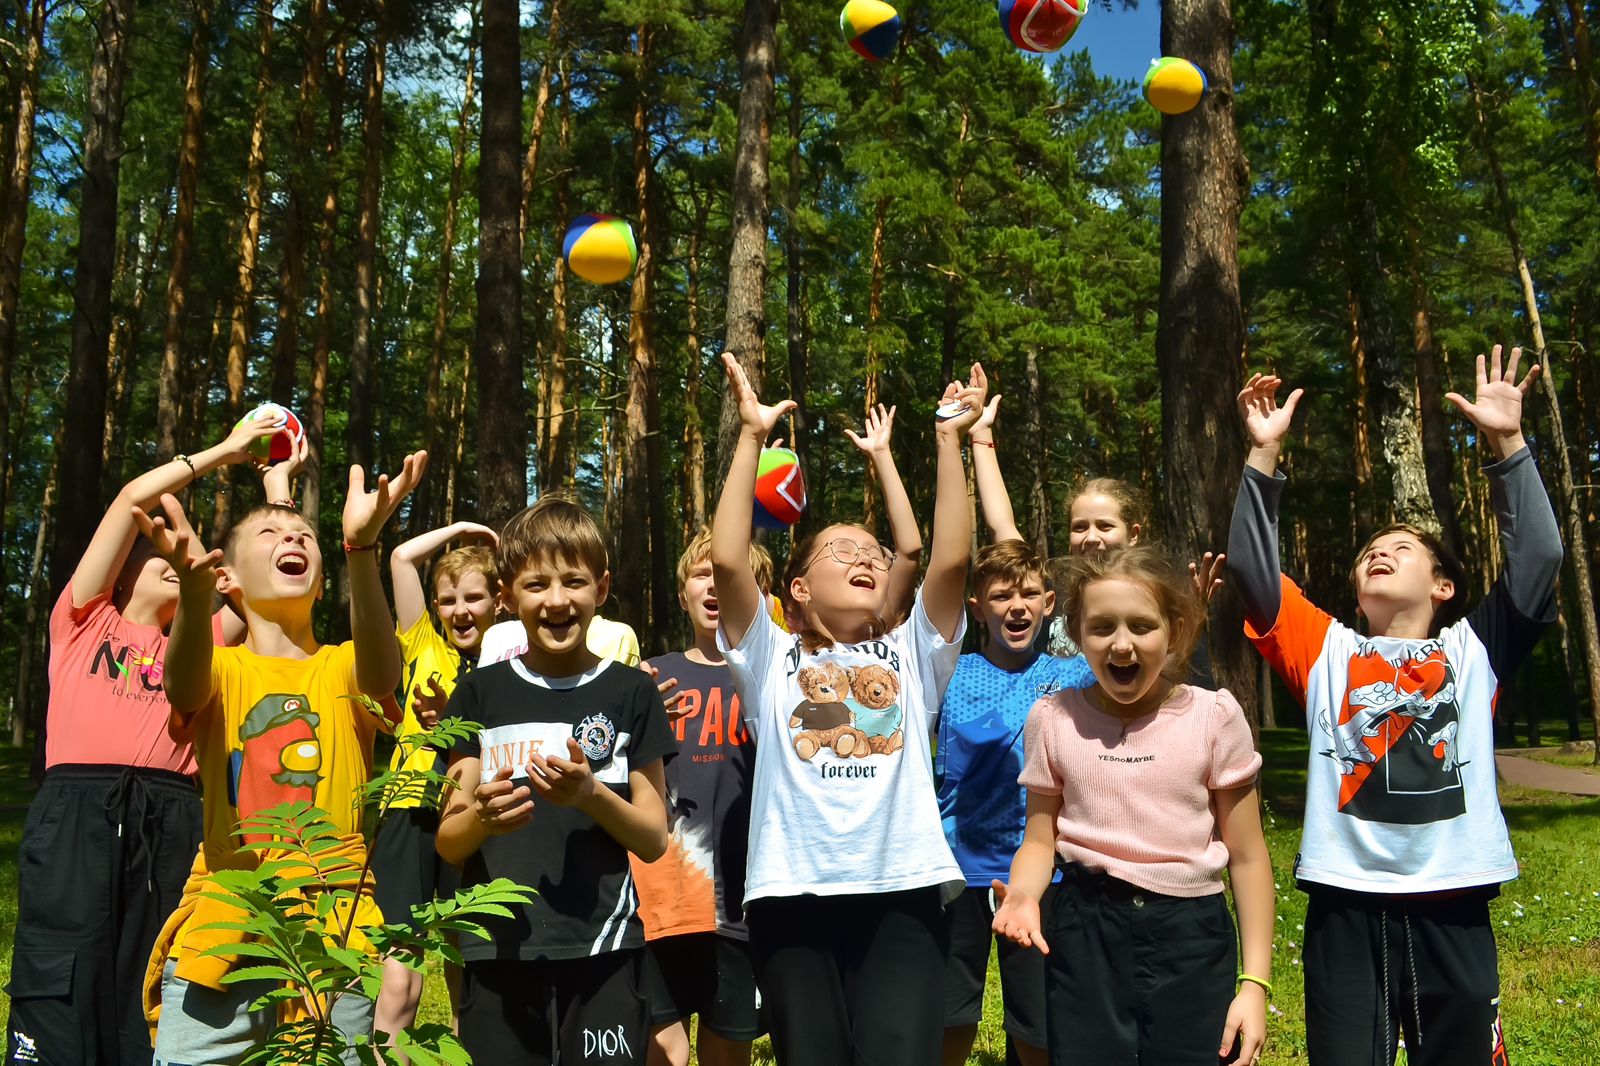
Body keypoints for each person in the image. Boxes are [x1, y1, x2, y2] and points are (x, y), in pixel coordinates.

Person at [1226, 348, 1561, 1066]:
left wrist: (1507, 444)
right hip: (1345, 906)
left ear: (1443, 586)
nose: (1379, 553)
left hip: (1456, 902)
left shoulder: (1476, 650)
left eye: (1401, 547)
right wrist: (1263, 457)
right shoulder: (1325, 651)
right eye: (1369, 551)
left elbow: (1539, 560)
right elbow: (1253, 573)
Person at [711, 352, 981, 1066]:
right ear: (797, 588)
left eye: (871, 550)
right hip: (791, 895)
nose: (865, 555)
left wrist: (949, 443)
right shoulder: (771, 655)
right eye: (840, 551)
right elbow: (730, 562)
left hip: (904, 891)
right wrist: (748, 436)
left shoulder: (914, 653)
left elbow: (947, 560)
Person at [2, 414, 295, 1066]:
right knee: (63, 967)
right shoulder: (81, 620)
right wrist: (227, 451)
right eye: (155, 555)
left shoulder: (203, 644)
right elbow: (130, 500)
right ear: (124, 573)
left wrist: (278, 492)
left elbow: (276, 581)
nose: (171, 561)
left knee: (154, 975)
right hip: (77, 811)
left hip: (171, 815)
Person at [138, 452, 425, 1065]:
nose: (292, 536)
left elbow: (381, 672)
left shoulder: (341, 664)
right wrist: (191, 598)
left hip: (334, 924)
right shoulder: (223, 666)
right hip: (227, 915)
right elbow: (183, 689)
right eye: (269, 533)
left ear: (322, 579)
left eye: (303, 535)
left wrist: (363, 550)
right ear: (228, 580)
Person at [993, 545, 1274, 1066]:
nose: (1122, 644)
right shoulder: (1053, 719)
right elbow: (1039, 841)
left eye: (1141, 626)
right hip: (1083, 935)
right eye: (1102, 628)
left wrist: (1255, 982)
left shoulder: (1213, 717)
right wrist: (1025, 897)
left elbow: (1250, 856)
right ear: (1077, 635)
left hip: (1191, 938)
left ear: (1176, 629)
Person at [435, 495, 675, 1065]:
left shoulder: (632, 692)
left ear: (603, 587)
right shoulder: (478, 694)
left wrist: (590, 795)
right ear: (507, 595)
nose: (557, 600)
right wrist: (483, 819)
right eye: (537, 584)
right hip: (497, 951)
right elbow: (448, 839)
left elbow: (653, 836)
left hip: (605, 951)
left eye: (574, 581)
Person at [935, 539, 1094, 1066]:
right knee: (950, 1014)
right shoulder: (948, 673)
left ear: (1050, 603)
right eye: (1002, 595)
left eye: (1029, 593)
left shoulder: (1072, 674)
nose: (1017, 605)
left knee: (1037, 1018)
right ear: (977, 608)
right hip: (954, 871)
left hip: (1039, 873)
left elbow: (1136, 662)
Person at [633, 528, 774, 1066]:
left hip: (742, 904)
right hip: (663, 900)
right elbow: (614, 779)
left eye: (730, 578)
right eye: (701, 574)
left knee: (727, 1045)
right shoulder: (650, 678)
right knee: (662, 1048)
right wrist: (645, 730)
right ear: (682, 592)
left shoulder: (773, 679)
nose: (714, 587)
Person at [966, 380, 1226, 655]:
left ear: (1134, 533)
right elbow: (1001, 523)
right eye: (1080, 527)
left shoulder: (1155, 596)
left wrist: (1190, 620)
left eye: (1105, 525)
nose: (1091, 537)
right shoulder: (1048, 594)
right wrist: (981, 434)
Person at [371, 520, 499, 1038]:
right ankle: (387, 1052)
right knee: (401, 959)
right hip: (410, 803)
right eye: (448, 600)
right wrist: (466, 529)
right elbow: (401, 558)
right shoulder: (424, 645)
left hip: (473, 810)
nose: (460, 611)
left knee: (466, 954)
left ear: (500, 601)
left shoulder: (508, 663)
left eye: (473, 597)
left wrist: (453, 721)